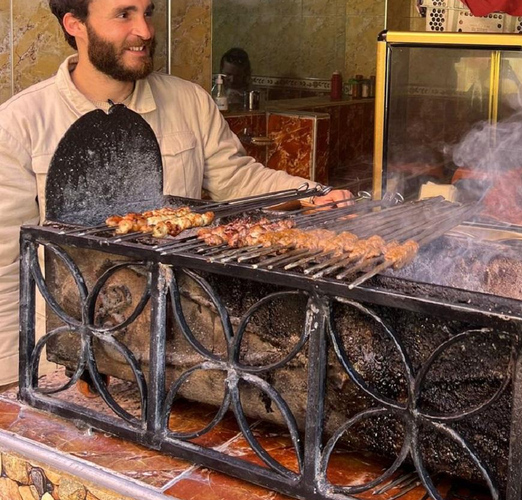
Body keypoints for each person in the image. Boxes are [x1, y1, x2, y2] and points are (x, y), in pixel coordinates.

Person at [0, 0, 352, 386]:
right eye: (124, 14)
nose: (146, 31)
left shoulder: (189, 102)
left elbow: (239, 180)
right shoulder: (20, 125)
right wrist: (16, 381)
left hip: (176, 346)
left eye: (147, 12)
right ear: (75, 24)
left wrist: (311, 194)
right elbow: (6, 272)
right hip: (70, 359)